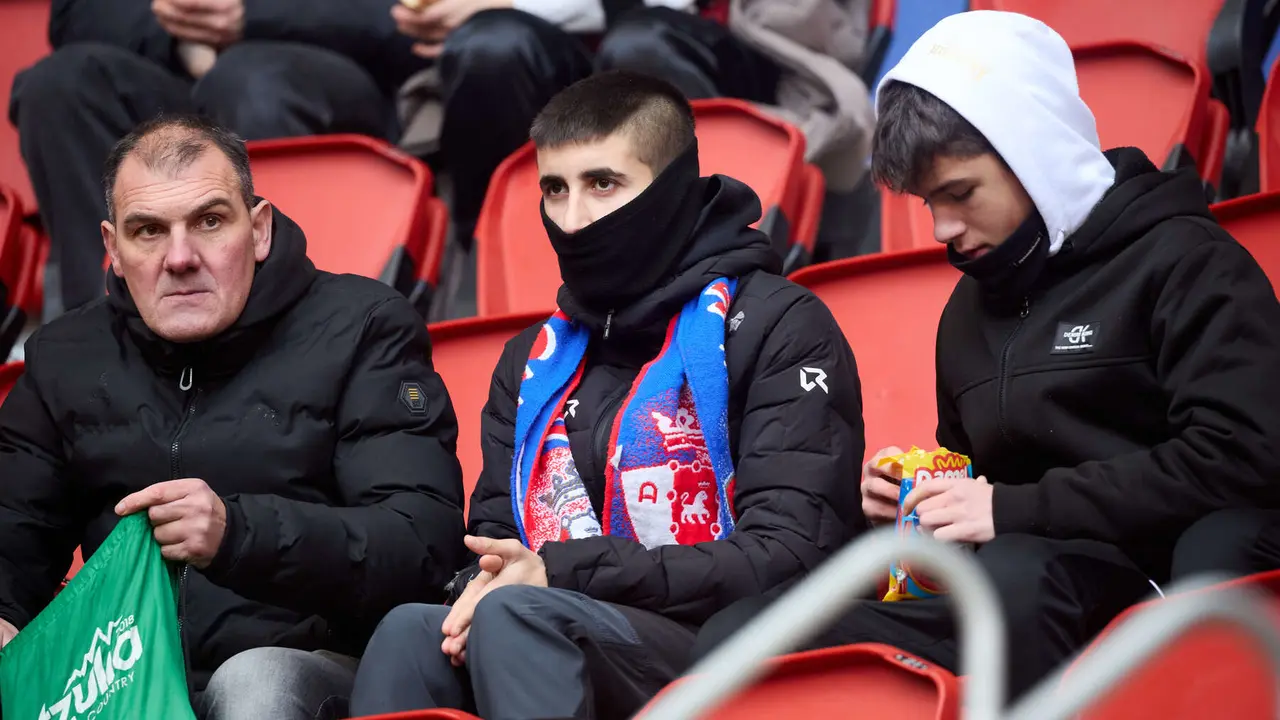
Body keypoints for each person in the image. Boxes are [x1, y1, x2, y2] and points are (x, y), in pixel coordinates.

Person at [697, 10, 1280, 696]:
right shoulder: (968, 309)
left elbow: (1245, 455)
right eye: (926, 202)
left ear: (1033, 154)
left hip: (1146, 577)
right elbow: (976, 477)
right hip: (1009, 583)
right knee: (739, 634)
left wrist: (1010, 511)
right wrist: (913, 502)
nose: (943, 229)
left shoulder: (1185, 261)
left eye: (960, 194)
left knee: (1017, 581)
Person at [347, 71, 865, 719]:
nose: (572, 219)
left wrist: (567, 572)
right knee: (412, 631)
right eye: (554, 190)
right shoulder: (530, 360)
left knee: (519, 614)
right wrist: (487, 580)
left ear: (674, 189)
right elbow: (496, 536)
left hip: (735, 640)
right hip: (568, 622)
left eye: (603, 184)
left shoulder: (780, 324)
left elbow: (792, 555)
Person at [0, 115, 468, 720]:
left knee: (255, 682)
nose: (180, 257)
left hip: (321, 668)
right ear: (113, 251)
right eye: (148, 231)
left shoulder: (363, 326)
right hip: (123, 681)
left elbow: (420, 543)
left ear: (260, 229)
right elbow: (14, 533)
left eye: (210, 221)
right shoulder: (65, 355)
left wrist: (237, 535)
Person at [9, 0, 427, 318]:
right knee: (58, 85)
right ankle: (105, 329)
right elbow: (75, 15)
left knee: (248, 80)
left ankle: (279, 325)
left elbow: (405, 17)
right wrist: (181, 35)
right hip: (169, 64)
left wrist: (252, 16)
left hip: (322, 68)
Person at [391, 0, 876, 245]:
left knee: (641, 48)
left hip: (719, 42)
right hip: (553, 53)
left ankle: (699, 249)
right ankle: (510, 258)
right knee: (489, 49)